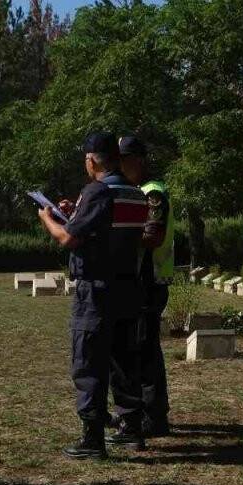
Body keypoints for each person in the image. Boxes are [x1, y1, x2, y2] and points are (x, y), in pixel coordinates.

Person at [37, 132, 149, 459]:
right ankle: (131, 429)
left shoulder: (97, 191)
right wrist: (77, 211)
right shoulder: (135, 193)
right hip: (129, 287)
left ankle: (92, 437)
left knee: (89, 362)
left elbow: (69, 239)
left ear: (91, 159)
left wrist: (48, 219)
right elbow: (111, 228)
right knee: (125, 361)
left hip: (97, 291)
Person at [107, 136, 173, 443]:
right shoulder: (135, 192)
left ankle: (153, 416)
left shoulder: (153, 192)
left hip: (150, 281)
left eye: (123, 160)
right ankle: (143, 411)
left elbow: (153, 237)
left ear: (139, 160)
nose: (118, 166)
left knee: (145, 350)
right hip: (138, 281)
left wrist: (119, 237)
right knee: (137, 349)